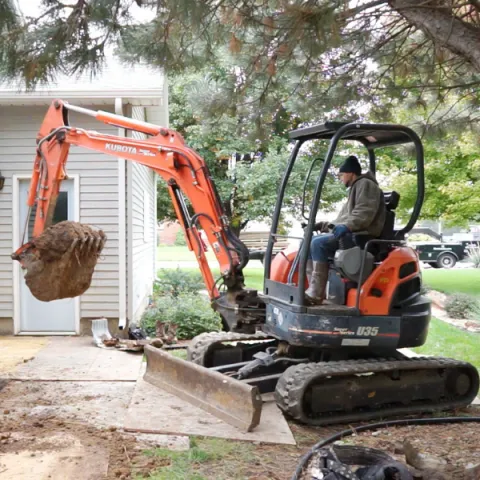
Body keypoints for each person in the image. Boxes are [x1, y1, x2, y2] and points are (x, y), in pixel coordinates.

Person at [305, 155, 386, 305]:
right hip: (352, 232)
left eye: (341, 175)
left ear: (351, 173)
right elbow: (342, 219)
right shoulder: (356, 187)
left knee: (318, 244)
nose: (340, 178)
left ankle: (316, 293)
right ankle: (313, 288)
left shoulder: (366, 185)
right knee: (308, 242)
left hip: (362, 235)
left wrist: (348, 226)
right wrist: (322, 225)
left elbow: (364, 213)